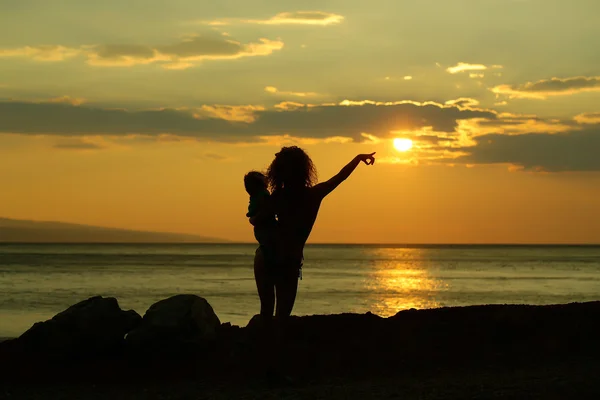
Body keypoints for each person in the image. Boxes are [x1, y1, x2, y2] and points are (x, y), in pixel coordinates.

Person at [250, 147, 376, 320]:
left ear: (278, 171)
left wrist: (255, 216)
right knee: (282, 318)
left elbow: (257, 220)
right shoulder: (314, 195)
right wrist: (358, 158)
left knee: (266, 313)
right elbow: (340, 177)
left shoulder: (278, 196)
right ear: (304, 170)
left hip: (267, 256)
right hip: (289, 262)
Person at [244, 171, 277, 275]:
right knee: (269, 241)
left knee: (265, 242)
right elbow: (268, 209)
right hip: (267, 227)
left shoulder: (255, 197)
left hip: (260, 230)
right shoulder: (263, 194)